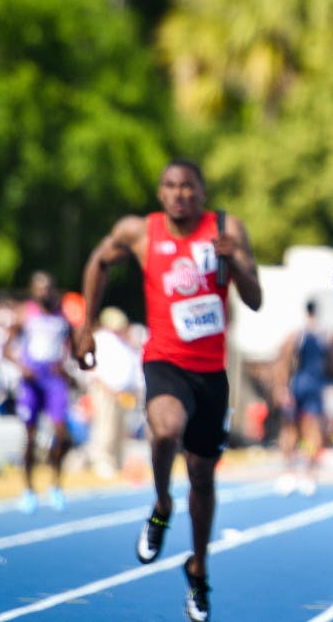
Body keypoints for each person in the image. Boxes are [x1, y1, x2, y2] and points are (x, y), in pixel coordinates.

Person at [74, 159, 262, 622]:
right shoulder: (140, 231)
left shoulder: (225, 226)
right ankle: (160, 504)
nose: (179, 195)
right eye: (171, 187)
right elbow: (99, 262)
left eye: (188, 187)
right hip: (164, 361)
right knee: (164, 429)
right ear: (160, 193)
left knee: (203, 476)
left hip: (211, 373)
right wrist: (86, 326)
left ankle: (198, 570)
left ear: (201, 192)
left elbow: (256, 300)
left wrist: (234, 258)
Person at [6, 271, 74, 513]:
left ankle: (55, 485)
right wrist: (22, 367)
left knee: (60, 432)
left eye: (48, 288)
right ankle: (28, 489)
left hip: (54, 379)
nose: (44, 292)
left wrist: (66, 365)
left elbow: (70, 346)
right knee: (31, 436)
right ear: (33, 290)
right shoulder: (26, 314)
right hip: (31, 378)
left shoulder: (61, 316)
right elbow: (7, 348)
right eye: (39, 288)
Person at [273, 299, 328, 496]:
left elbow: (284, 360)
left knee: (291, 429)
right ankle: (306, 474)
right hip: (312, 386)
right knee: (310, 430)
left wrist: (282, 387)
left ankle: (292, 472)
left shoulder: (299, 334)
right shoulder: (323, 334)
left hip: (299, 384)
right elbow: (331, 364)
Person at [85, 306, 143, 479]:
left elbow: (133, 366)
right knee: (105, 426)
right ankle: (101, 461)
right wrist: (109, 388)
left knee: (120, 428)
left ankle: (116, 462)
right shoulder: (100, 339)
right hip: (105, 390)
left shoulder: (124, 341)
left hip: (123, 392)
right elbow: (93, 368)